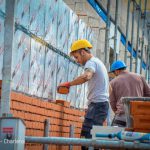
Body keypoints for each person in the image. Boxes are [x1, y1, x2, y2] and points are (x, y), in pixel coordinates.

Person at [58, 39, 109, 150]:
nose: (77, 61)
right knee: (92, 139)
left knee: (87, 139)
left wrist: (69, 84)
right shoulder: (98, 62)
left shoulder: (91, 63)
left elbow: (87, 76)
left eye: (76, 57)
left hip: (98, 106)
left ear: (82, 52)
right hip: (99, 105)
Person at [109, 60, 150, 127]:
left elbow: (112, 102)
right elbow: (148, 94)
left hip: (122, 115)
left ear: (116, 71)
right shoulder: (140, 77)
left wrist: (118, 112)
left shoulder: (113, 82)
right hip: (138, 115)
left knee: (115, 134)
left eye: (114, 73)